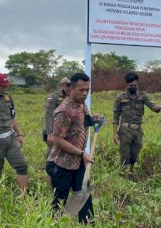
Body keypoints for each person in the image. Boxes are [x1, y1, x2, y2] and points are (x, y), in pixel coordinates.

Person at [45, 72, 104, 224]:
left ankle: (87, 224)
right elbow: (58, 140)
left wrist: (94, 119)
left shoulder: (82, 105)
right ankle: (54, 224)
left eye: (87, 90)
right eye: (81, 90)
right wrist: (82, 153)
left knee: (84, 197)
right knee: (60, 202)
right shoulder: (63, 110)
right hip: (62, 165)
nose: (85, 93)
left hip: (77, 163)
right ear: (71, 88)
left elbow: (84, 122)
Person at [113, 72, 161, 172]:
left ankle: (131, 170)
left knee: (135, 153)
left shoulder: (143, 96)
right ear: (127, 85)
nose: (133, 87)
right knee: (125, 153)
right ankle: (123, 173)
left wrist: (158, 107)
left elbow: (153, 107)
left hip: (138, 130)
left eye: (135, 85)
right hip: (125, 130)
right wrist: (115, 133)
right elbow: (115, 116)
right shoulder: (120, 98)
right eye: (131, 86)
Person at [44, 77, 72, 158]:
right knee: (52, 153)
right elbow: (48, 116)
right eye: (67, 85)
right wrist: (49, 134)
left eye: (71, 85)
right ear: (63, 85)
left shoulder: (71, 97)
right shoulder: (53, 98)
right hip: (55, 130)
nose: (69, 87)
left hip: (67, 131)